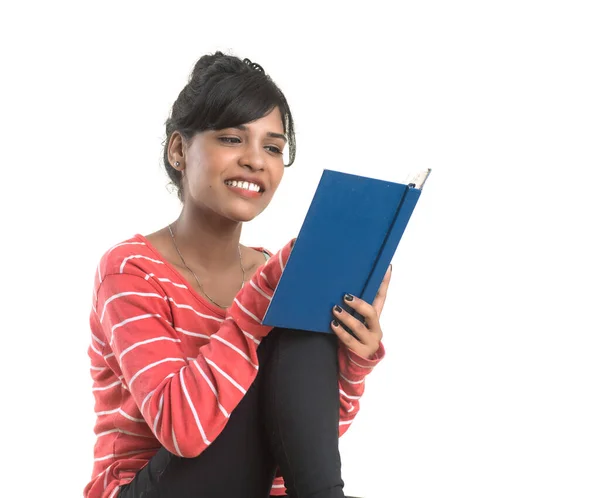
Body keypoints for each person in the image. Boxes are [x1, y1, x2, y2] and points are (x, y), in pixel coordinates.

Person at [84, 52, 391, 498]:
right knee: (288, 303)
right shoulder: (131, 270)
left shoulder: (270, 269)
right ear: (178, 150)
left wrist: (351, 360)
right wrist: (262, 296)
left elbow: (305, 444)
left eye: (272, 147)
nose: (255, 160)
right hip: (157, 487)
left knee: (300, 320)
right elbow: (183, 429)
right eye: (232, 139)